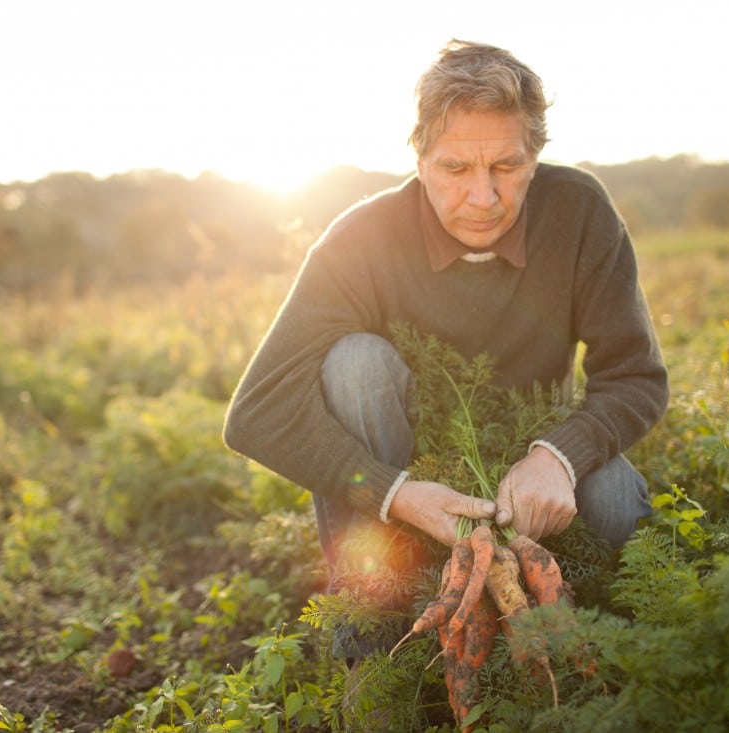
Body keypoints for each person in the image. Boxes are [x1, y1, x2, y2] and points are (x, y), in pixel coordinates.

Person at [223, 39, 668, 659]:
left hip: (530, 480)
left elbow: (637, 375)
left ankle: (600, 640)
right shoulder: (361, 240)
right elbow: (255, 412)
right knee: (355, 363)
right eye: (457, 169)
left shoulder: (580, 212)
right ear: (420, 157)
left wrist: (556, 459)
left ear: (535, 157)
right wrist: (396, 493)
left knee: (618, 499)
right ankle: (374, 627)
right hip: (405, 492)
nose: (483, 197)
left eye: (506, 167)